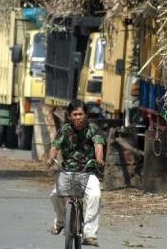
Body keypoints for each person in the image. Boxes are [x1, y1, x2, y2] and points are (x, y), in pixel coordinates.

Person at [48, 100, 106, 247]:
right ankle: (61, 221)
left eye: (81, 114)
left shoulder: (93, 129)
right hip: (67, 172)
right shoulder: (64, 130)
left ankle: (89, 234)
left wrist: (99, 159)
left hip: (88, 171)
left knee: (95, 195)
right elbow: (55, 147)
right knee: (55, 194)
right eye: (75, 114)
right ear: (69, 116)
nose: (78, 117)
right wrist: (51, 158)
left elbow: (98, 144)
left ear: (86, 115)